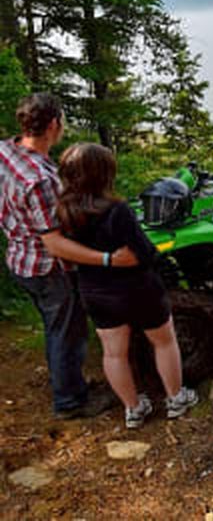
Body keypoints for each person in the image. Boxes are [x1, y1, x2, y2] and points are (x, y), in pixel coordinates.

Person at [0, 93, 136, 419]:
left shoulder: (6, 151)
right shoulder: (40, 181)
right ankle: (70, 402)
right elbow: (55, 244)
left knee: (56, 327)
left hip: (20, 256)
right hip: (48, 268)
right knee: (66, 333)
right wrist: (109, 259)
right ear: (53, 125)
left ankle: (70, 384)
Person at [56, 142, 199, 429]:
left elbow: (65, 254)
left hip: (95, 290)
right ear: (104, 174)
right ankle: (176, 399)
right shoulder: (117, 209)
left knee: (113, 352)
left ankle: (133, 409)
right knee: (164, 341)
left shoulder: (63, 211)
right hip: (137, 287)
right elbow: (143, 251)